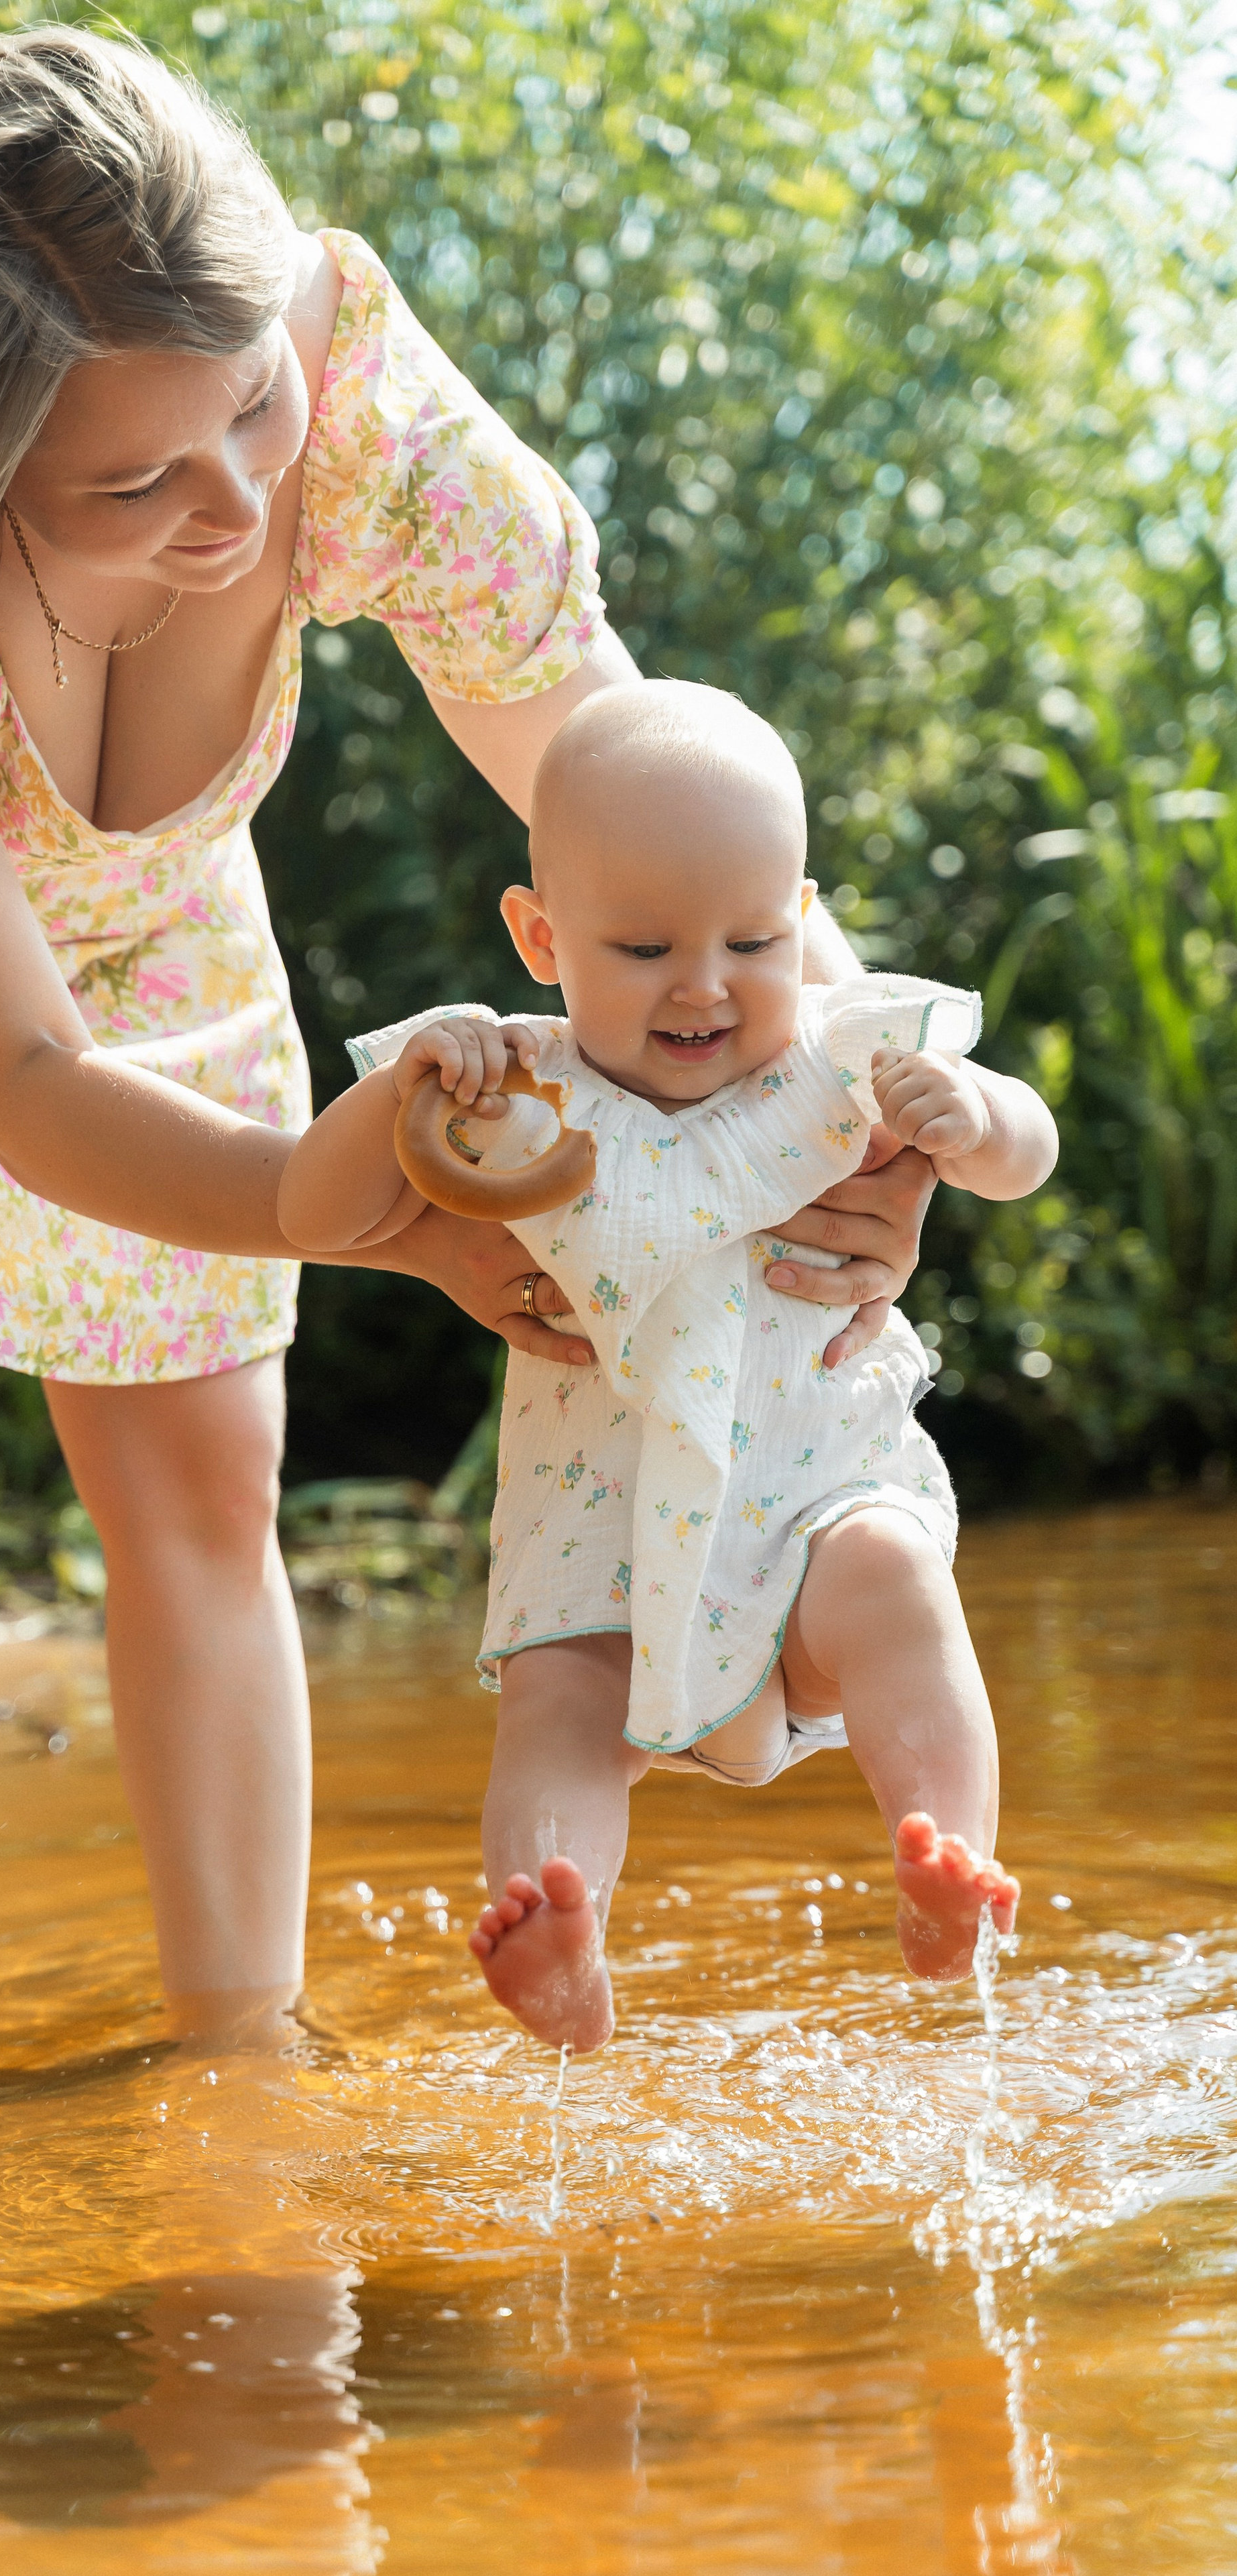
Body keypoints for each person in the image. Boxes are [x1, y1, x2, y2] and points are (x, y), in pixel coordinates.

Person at [0, 29, 931, 2138]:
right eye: (136, 485)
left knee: (205, 1447)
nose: (239, 508)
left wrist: (859, 1102)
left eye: (253, 421)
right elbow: (17, 1078)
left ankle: (239, 2055)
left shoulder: (350, 391)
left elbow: (642, 782)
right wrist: (353, 1195)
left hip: (146, 878)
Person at [280, 683, 1057, 2052]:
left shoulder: (842, 1055)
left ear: (798, 917)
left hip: (807, 1501)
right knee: (559, 1705)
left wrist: (978, 1115)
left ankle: (945, 1860)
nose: (704, 982)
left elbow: (1026, 1150)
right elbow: (310, 1213)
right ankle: (552, 1922)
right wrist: (402, 1085)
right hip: (598, 1531)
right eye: (642, 946)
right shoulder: (507, 1090)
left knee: (890, 1574)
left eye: (752, 938)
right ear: (538, 935)